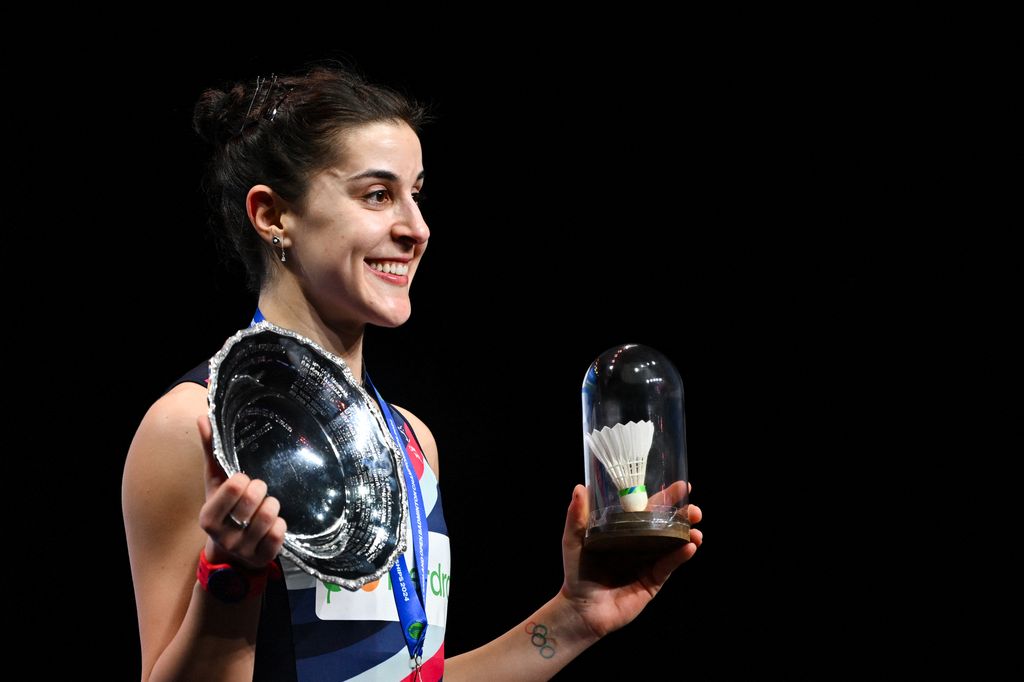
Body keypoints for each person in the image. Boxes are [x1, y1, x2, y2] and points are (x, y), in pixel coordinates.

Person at [122, 63, 703, 682]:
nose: (416, 229)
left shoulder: (412, 441)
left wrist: (573, 618)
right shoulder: (192, 426)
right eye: (377, 195)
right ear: (272, 216)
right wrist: (229, 585)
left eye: (416, 194)